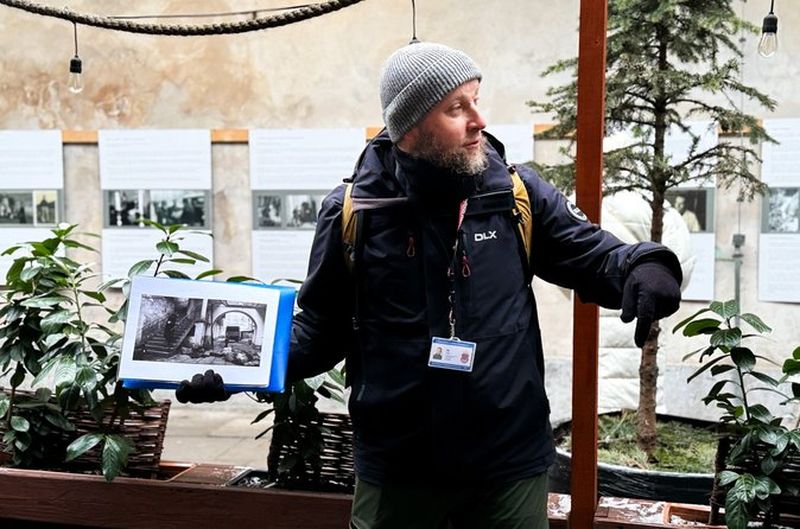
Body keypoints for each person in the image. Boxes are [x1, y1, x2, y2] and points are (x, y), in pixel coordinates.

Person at [177, 42, 682, 528]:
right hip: (399, 467)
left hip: (508, 461)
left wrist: (646, 265)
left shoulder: (515, 193)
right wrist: (238, 366)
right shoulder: (355, 212)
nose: (478, 121)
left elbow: (595, 254)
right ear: (411, 125)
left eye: (476, 102)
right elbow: (320, 328)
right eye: (456, 107)